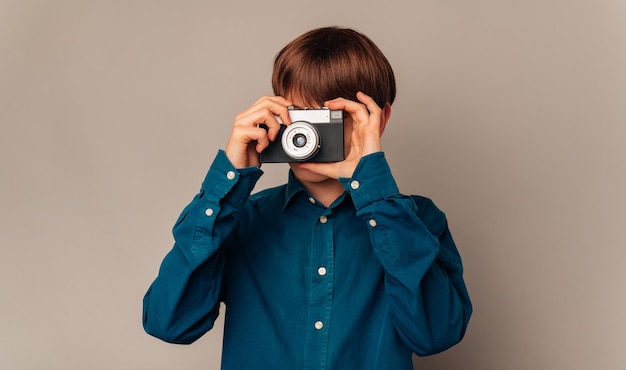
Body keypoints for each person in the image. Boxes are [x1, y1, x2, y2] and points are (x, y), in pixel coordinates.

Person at [143, 26, 472, 369]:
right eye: (300, 115)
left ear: (379, 120)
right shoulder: (240, 218)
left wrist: (377, 192)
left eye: (328, 117)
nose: (309, 135)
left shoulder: (415, 220)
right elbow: (169, 324)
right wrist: (227, 182)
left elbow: (437, 336)